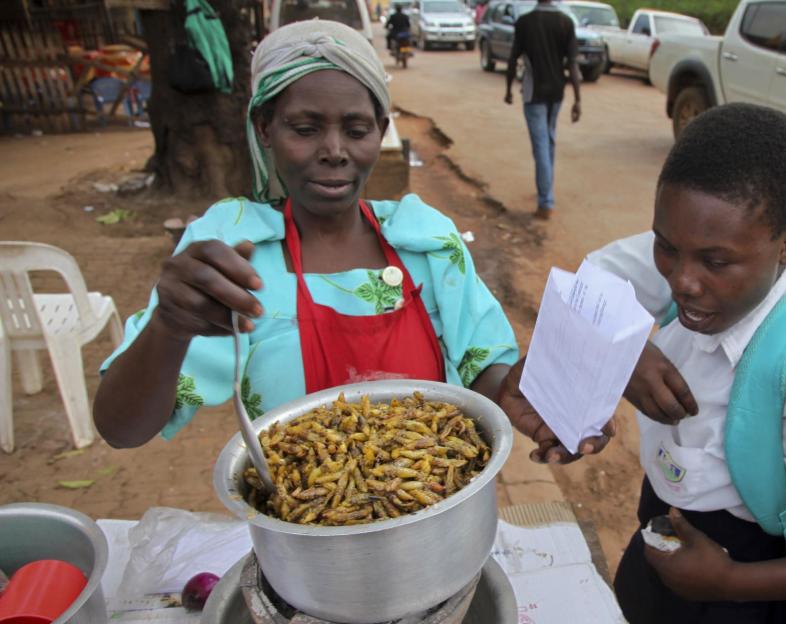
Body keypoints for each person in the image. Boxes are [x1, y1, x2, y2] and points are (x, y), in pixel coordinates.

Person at [498, 103, 786, 624]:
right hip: (662, 556)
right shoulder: (706, 254)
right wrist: (621, 353)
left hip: (745, 592)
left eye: (715, 262)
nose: (682, 281)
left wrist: (732, 582)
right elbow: (592, 281)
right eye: (666, 248)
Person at [94, 19, 518, 448]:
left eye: (356, 131)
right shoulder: (234, 254)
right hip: (303, 510)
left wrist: (519, 396)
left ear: (379, 129)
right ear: (264, 127)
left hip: (432, 502)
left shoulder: (425, 241)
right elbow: (122, 429)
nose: (334, 151)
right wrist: (169, 327)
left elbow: (484, 369)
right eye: (305, 129)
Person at [504, 0, 581, 220]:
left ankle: (546, 201)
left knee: (541, 145)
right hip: (556, 91)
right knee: (549, 140)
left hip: (533, 92)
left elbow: (513, 59)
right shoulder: (565, 22)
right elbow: (572, 64)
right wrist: (577, 99)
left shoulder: (525, 22)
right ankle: (545, 191)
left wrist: (508, 89)